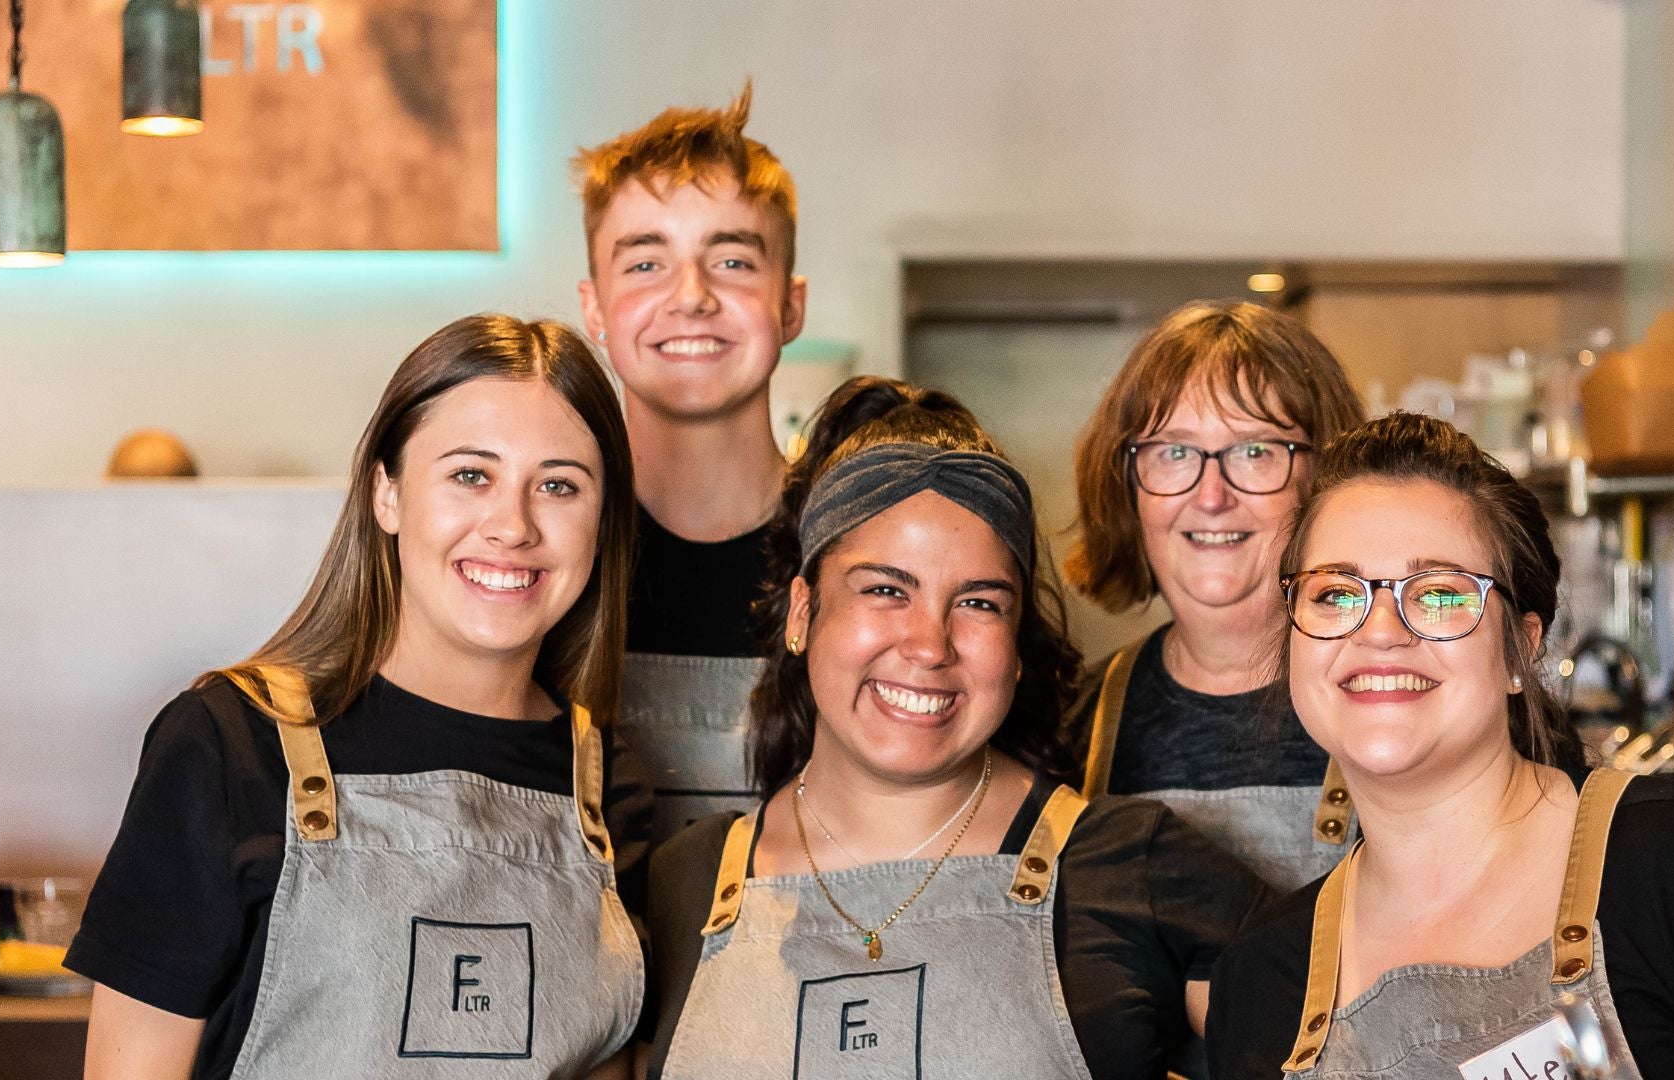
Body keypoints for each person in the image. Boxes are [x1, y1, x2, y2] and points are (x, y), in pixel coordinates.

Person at [1203, 413, 1674, 1080]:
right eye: (1335, 593)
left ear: (1522, 647)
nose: (1382, 630)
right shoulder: (1265, 977)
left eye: (1442, 594)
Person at [71, 316, 654, 1080]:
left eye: (557, 485)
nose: (512, 525)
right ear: (388, 494)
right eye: (471, 475)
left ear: (601, 522)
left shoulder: (610, 788)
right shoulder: (227, 747)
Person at [636, 378, 1269, 1080]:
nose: (929, 644)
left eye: (978, 602)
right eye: (885, 590)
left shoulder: (1134, 867)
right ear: (801, 612)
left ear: (1018, 644)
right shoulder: (685, 879)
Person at [1064, 302, 1367, 892]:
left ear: (1327, 477)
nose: (1210, 496)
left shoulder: (1401, 696)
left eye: (1254, 451)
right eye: (1175, 452)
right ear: (1127, 484)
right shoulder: (1073, 723)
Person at [571, 84, 804, 837]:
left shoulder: (856, 551)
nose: (692, 296)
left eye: (732, 260)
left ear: (790, 305)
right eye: (645, 264)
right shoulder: (542, 555)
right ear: (594, 310)